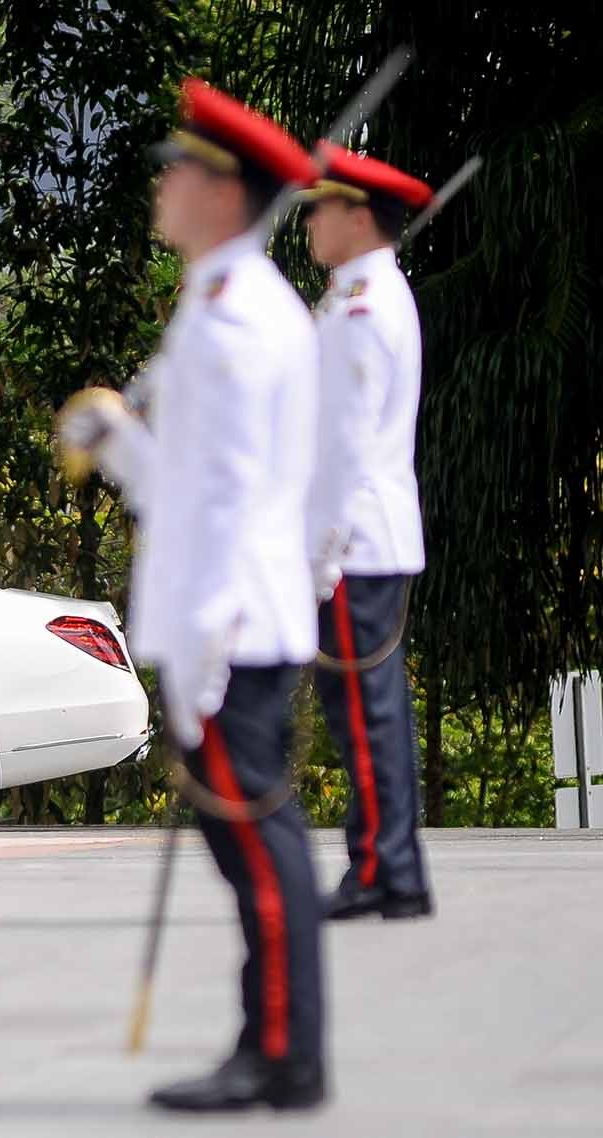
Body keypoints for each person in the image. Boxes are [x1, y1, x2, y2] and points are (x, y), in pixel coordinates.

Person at [58, 78, 327, 1112]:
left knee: (258, 853)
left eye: (181, 169)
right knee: (256, 847)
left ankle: (279, 1054)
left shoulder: (228, 324)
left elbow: (208, 494)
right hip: (236, 608)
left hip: (230, 617)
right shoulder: (224, 301)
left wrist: (116, 439)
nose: (163, 184)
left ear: (223, 193)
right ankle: (274, 1045)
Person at [299, 143, 436, 921]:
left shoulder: (361, 308)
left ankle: (384, 869)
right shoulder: (363, 296)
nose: (312, 222)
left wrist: (319, 558)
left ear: (357, 216)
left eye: (322, 208)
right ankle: (391, 867)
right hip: (366, 538)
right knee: (368, 709)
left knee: (366, 713)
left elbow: (344, 450)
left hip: (355, 542)